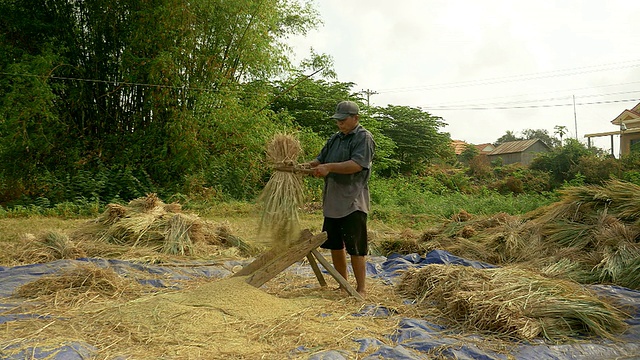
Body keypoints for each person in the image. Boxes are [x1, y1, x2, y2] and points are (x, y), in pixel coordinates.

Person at [307, 100, 375, 297]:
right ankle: (342, 284)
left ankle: (361, 288)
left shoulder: (363, 138)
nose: (340, 124)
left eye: (343, 120)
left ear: (356, 118)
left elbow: (357, 164)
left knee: (356, 247)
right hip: (333, 200)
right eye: (338, 121)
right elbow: (320, 160)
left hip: (353, 201)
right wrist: (304, 166)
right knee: (334, 244)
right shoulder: (335, 139)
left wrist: (329, 168)